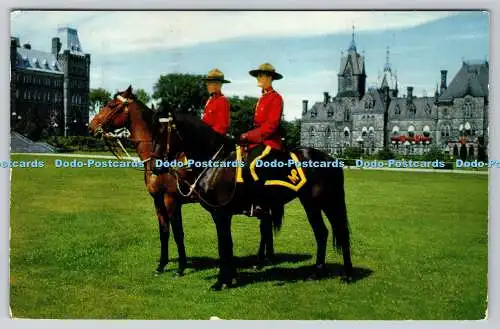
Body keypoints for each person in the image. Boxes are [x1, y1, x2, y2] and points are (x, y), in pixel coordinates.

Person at [239, 63, 285, 217]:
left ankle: (260, 204)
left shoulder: (276, 98)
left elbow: (271, 126)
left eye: (261, 75)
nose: (258, 78)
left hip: (270, 143)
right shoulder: (262, 98)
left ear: (270, 78)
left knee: (251, 167)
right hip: (258, 141)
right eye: (258, 75)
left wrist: (249, 136)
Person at [201, 68, 231, 136]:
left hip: (213, 140)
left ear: (218, 85)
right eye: (208, 83)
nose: (207, 85)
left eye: (210, 83)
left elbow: (220, 128)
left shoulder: (222, 101)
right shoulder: (210, 100)